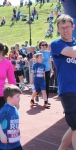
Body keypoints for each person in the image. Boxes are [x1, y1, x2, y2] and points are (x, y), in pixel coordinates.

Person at [50, 14, 76, 150]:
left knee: (74, 127)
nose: (65, 30)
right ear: (58, 29)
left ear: (73, 27)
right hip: (69, 90)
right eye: (62, 28)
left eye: (67, 27)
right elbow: (74, 52)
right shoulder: (56, 44)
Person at [0, 84, 23, 150]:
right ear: (9, 98)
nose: (19, 98)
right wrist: (2, 135)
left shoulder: (14, 107)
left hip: (15, 141)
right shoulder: (5, 109)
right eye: (17, 96)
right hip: (4, 143)